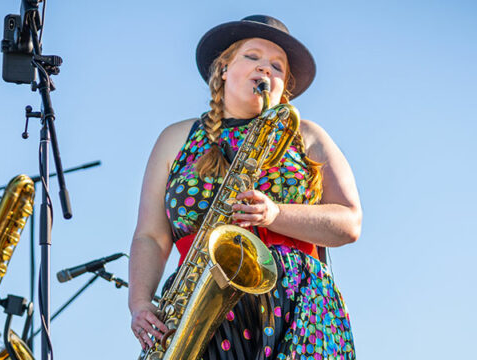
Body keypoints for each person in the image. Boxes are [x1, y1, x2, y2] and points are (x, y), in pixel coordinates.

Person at [128, 15, 361, 359]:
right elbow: (150, 235)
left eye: (277, 67)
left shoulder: (308, 135)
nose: (265, 70)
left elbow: (349, 222)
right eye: (252, 57)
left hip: (297, 304)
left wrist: (275, 214)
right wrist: (140, 302)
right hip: (196, 302)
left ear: (285, 86)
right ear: (222, 69)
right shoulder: (175, 138)